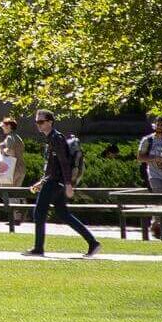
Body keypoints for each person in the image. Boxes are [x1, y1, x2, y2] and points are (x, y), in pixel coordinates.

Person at [24, 109, 100, 258]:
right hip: (53, 181)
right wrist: (41, 181)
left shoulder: (56, 138)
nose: (38, 125)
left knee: (39, 212)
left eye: (41, 121)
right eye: (37, 122)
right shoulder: (51, 138)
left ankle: (38, 248)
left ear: (50, 122)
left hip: (56, 183)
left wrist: (68, 184)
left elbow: (64, 163)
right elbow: (53, 166)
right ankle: (93, 243)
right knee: (64, 214)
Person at [137, 118, 162, 240]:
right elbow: (140, 157)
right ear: (154, 126)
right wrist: (153, 158)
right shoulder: (147, 140)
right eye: (158, 124)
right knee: (159, 199)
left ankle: (155, 225)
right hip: (154, 175)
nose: (160, 127)